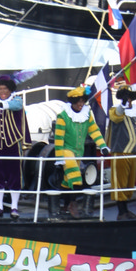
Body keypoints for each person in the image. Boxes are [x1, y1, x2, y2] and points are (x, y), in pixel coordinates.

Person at [53, 84, 109, 218]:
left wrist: (103, 146)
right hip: (66, 151)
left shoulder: (87, 114)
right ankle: (73, 205)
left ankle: (64, 205)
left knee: (67, 181)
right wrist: (59, 157)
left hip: (79, 151)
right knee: (76, 176)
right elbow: (58, 138)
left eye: (83, 101)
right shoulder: (63, 116)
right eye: (78, 102)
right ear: (73, 102)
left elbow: (94, 130)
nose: (81, 104)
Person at [0, 75, 30, 217]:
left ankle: (14, 207)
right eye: (0, 89)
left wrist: (1, 105)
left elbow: (16, 106)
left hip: (13, 144)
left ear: (10, 89)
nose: (3, 91)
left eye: (5, 88)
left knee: (14, 175)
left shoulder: (16, 100)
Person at [106, 85, 136, 220]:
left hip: (133, 152)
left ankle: (126, 210)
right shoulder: (115, 110)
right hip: (120, 152)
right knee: (120, 183)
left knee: (129, 183)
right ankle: (121, 212)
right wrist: (122, 105)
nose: (128, 100)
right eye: (126, 97)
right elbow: (116, 117)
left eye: (129, 97)